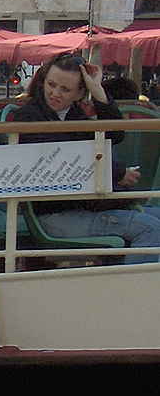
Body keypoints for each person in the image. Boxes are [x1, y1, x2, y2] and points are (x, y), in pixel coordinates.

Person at [12, 52, 160, 262]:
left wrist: (97, 89)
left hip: (79, 208)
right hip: (52, 215)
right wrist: (116, 172)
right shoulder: (29, 117)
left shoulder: (73, 114)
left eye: (65, 89)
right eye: (51, 84)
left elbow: (114, 134)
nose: (55, 93)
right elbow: (62, 162)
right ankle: (132, 293)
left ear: (80, 94)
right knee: (150, 228)